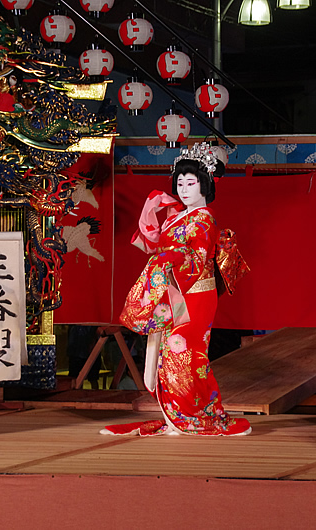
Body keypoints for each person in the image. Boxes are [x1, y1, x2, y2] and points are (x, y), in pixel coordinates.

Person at [101, 143, 251, 436]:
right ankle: (178, 418)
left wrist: (170, 257)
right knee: (171, 353)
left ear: (204, 184)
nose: (183, 189)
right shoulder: (179, 215)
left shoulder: (204, 219)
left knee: (184, 351)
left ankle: (193, 416)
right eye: (180, 183)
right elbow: (158, 245)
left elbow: (195, 259)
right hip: (175, 293)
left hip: (194, 293)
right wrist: (154, 215)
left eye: (190, 183)